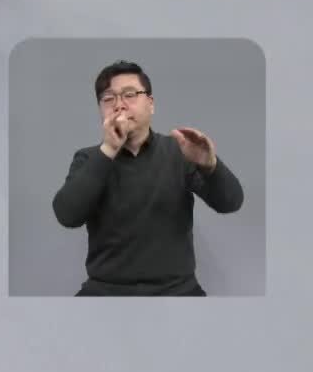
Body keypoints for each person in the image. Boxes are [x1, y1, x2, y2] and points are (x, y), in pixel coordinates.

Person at [51, 61, 244, 296]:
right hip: (105, 291)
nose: (119, 105)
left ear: (150, 104)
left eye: (129, 95)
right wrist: (109, 149)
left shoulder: (179, 151)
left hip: (178, 291)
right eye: (108, 99)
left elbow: (231, 202)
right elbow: (67, 215)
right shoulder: (89, 158)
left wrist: (210, 165)